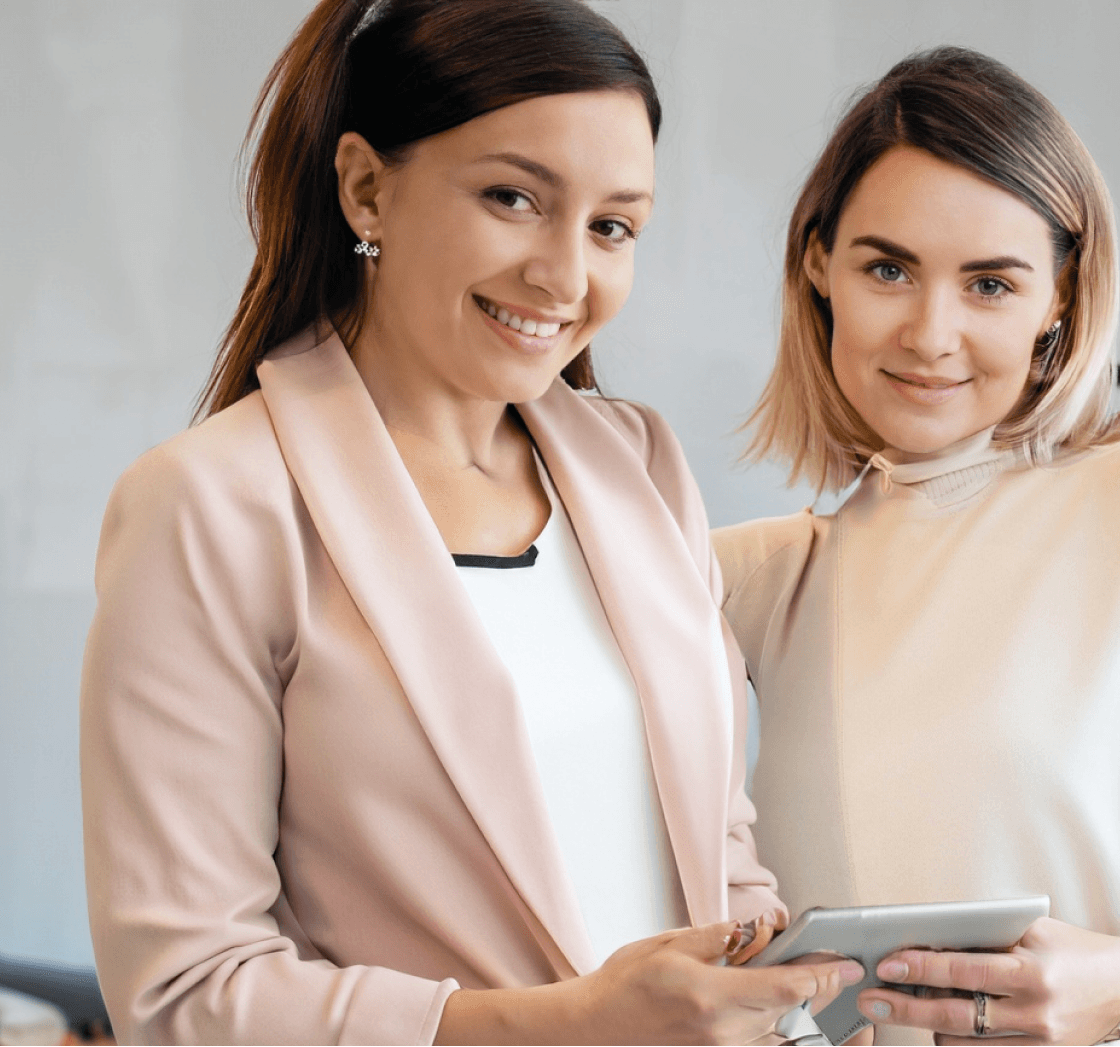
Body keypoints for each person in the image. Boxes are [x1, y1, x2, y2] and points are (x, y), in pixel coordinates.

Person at [77, 1, 862, 1044]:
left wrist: (790, 1007)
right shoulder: (210, 507)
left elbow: (721, 867)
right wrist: (565, 1027)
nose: (565, 277)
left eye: (612, 226)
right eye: (512, 198)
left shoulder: (639, 466)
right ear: (366, 188)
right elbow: (186, 994)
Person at [715, 48, 1120, 1046]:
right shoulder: (754, 579)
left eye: (988, 284)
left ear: (1060, 295)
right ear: (818, 266)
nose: (930, 334)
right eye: (888, 269)